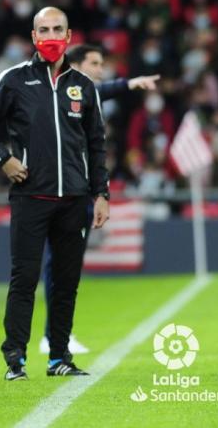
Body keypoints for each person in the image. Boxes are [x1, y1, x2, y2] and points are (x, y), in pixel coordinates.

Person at [0, 7, 110, 380]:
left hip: (75, 201)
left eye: (57, 29)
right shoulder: (13, 80)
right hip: (30, 197)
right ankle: (15, 358)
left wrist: (102, 194)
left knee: (66, 283)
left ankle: (59, 357)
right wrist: (4, 160)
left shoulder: (85, 85)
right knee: (25, 279)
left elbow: (97, 145)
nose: (50, 36)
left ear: (68, 35)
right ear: (33, 37)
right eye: (43, 30)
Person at [38, 44, 162, 355]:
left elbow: (101, 89)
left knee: (66, 265)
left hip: (77, 189)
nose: (100, 69)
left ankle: (56, 336)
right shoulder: (57, 90)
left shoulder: (83, 95)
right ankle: (52, 337)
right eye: (95, 63)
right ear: (77, 65)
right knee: (59, 264)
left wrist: (129, 84)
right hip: (58, 190)